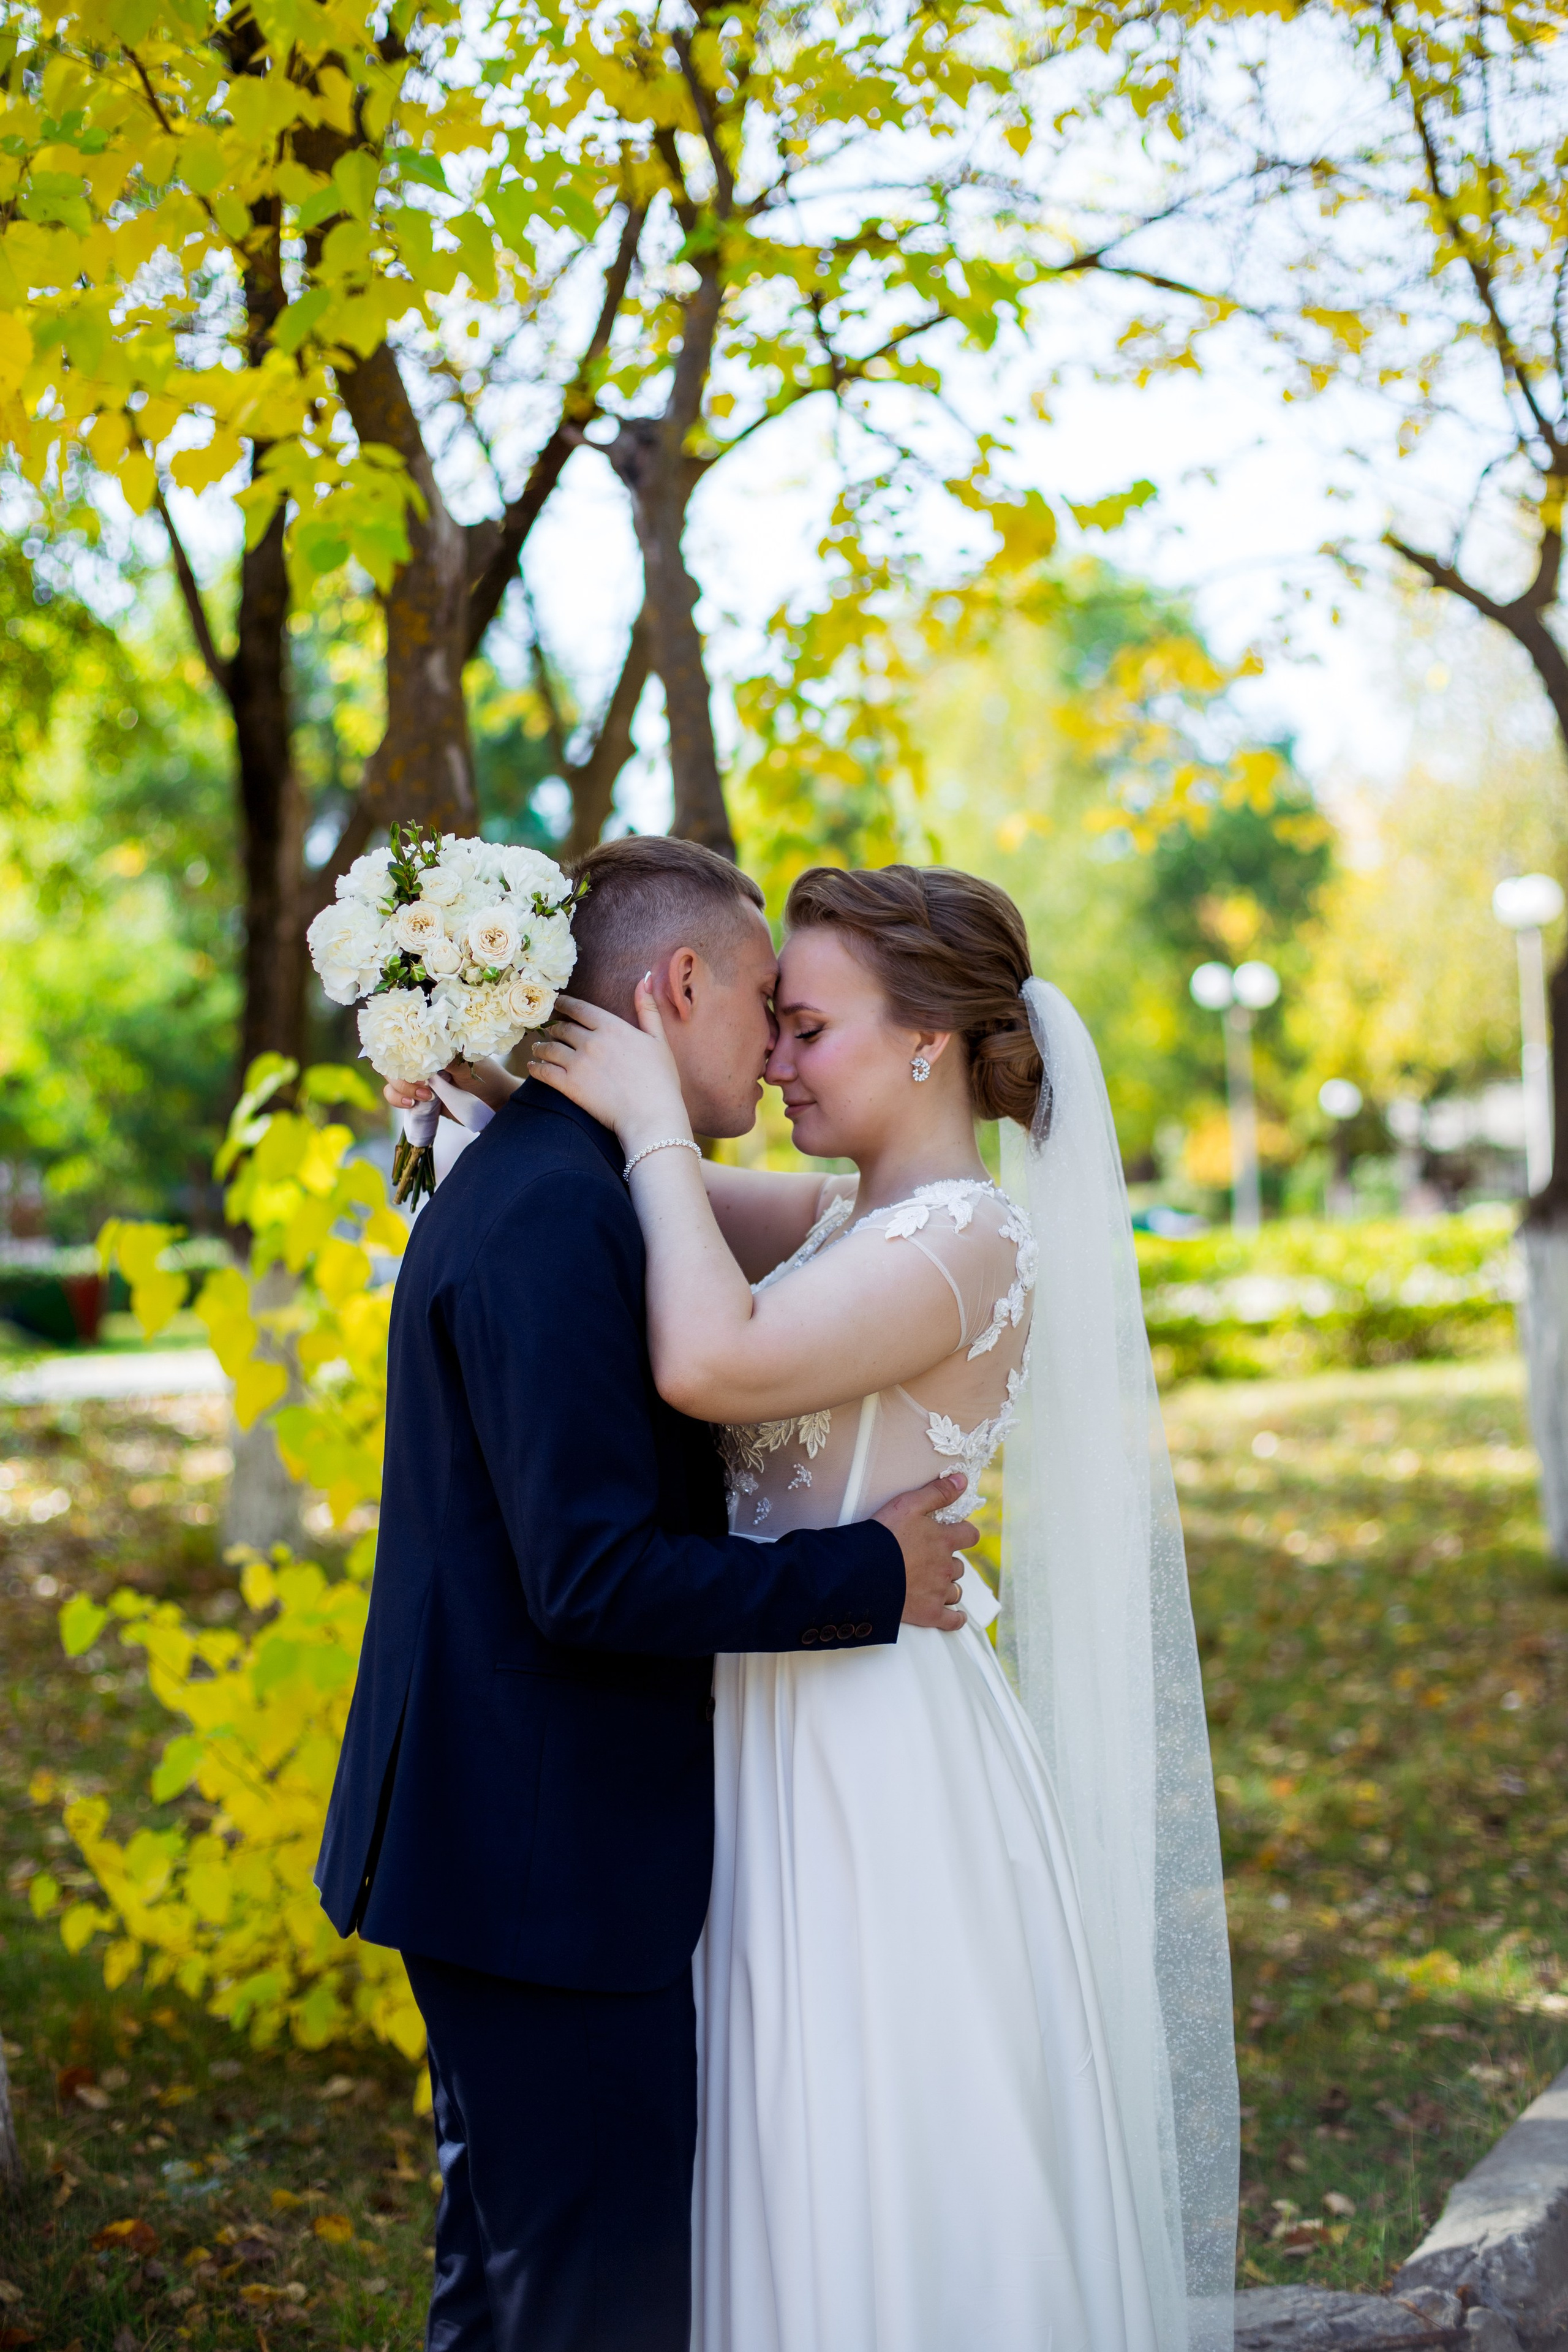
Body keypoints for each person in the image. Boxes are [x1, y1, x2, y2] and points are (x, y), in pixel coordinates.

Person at [530, 862, 1239, 2352]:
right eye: (772, 1027)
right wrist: (494, 1083)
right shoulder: (849, 1214)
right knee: (780, 2118)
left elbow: (709, 1366)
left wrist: (658, 1122)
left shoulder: (967, 1237)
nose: (774, 1061)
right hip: (771, 1715)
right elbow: (629, 1191)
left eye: (803, 1027)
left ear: (925, 1039)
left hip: (873, 1749)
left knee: (878, 2111)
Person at [315, 836, 980, 2352]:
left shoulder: (568, 1177)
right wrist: (870, 1567)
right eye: (766, 1004)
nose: (777, 1046)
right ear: (676, 984)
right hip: (540, 1860)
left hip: (516, 1837)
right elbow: (593, 1576)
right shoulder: (558, 1212)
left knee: (514, 2276)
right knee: (583, 2301)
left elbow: (810, 1228)